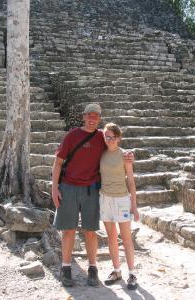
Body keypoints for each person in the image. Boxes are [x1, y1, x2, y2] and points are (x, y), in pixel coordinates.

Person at [51, 103, 133, 287]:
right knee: (68, 230)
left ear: (99, 119)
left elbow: (115, 147)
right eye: (89, 115)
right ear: (83, 117)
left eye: (95, 116)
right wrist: (54, 188)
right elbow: (58, 162)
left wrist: (129, 155)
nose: (92, 119)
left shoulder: (101, 138)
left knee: (90, 230)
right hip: (69, 187)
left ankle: (92, 268)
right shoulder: (72, 135)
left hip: (91, 189)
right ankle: (66, 269)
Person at [100, 122, 139, 290]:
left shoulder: (125, 155)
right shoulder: (100, 154)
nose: (109, 140)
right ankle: (117, 271)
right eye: (106, 136)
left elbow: (131, 181)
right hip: (105, 199)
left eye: (112, 137)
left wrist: (134, 206)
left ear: (118, 138)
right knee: (111, 238)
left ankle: (132, 273)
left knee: (126, 239)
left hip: (122, 200)